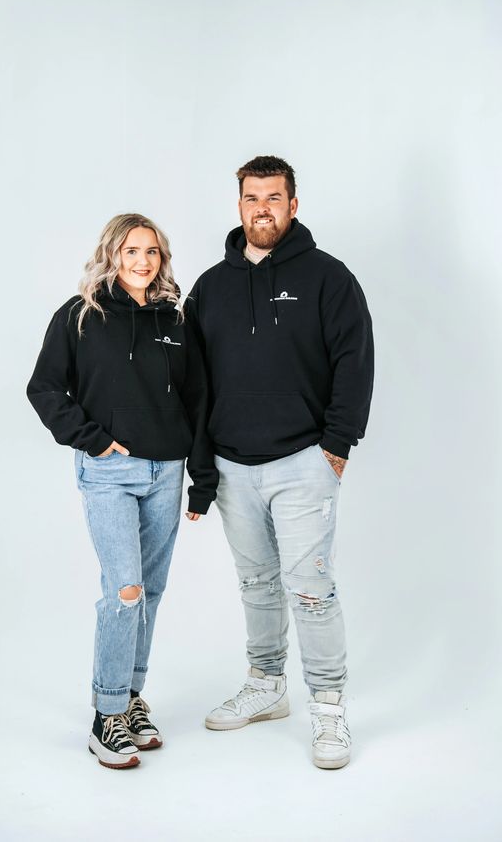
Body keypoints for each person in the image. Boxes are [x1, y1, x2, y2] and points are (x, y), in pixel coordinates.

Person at [186, 156, 374, 769]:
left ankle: (328, 707)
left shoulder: (328, 278)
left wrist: (337, 447)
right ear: (238, 206)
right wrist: (203, 463)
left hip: (303, 461)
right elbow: (193, 380)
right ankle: (267, 686)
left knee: (310, 590)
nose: (261, 208)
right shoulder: (211, 287)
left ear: (293, 205)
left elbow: (354, 359)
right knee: (257, 585)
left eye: (273, 197)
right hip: (233, 467)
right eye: (250, 198)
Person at [27, 214, 217, 770]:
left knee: (150, 592)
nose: (142, 261)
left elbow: (198, 402)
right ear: (111, 253)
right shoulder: (80, 315)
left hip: (167, 471)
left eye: (152, 251)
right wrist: (92, 439)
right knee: (125, 590)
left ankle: (132, 698)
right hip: (110, 473)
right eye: (131, 250)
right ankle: (105, 713)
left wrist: (201, 479)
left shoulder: (176, 320)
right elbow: (43, 387)